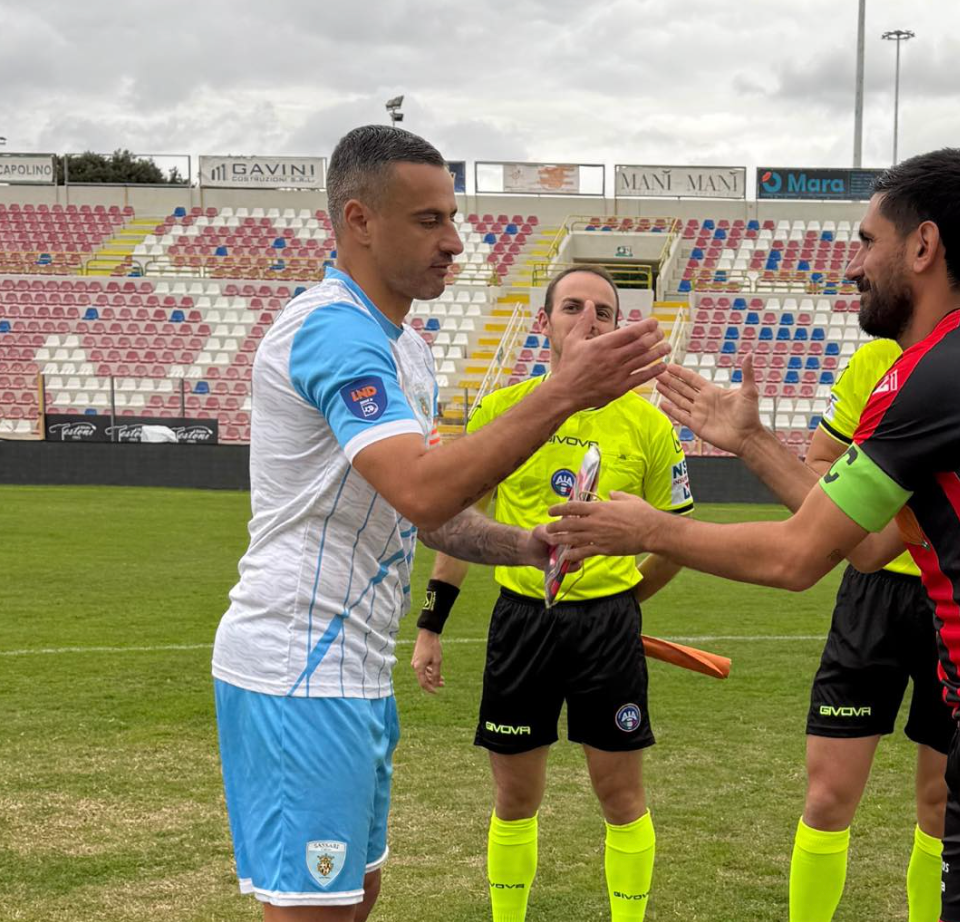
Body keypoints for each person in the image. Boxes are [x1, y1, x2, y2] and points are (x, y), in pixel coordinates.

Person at [545, 148, 960, 922]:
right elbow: (866, 546)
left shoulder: (940, 373)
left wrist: (650, 528)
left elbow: (799, 557)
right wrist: (756, 444)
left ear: (923, 247)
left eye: (869, 242)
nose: (854, 266)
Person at [210, 125, 668, 921]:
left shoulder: (407, 351)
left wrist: (527, 545)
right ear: (358, 221)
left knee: (356, 899)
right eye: (429, 221)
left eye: (452, 218)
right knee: (314, 912)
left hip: (352, 670)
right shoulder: (333, 329)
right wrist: (565, 391)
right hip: (298, 665)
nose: (455, 242)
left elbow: (433, 517)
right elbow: (422, 492)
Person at [409, 265, 691, 922]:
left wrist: (626, 601)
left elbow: (675, 536)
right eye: (572, 306)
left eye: (603, 311)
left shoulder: (648, 426)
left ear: (618, 329)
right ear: (544, 323)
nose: (588, 319)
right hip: (521, 623)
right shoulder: (503, 412)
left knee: (620, 797)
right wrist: (431, 625)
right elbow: (458, 523)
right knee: (514, 799)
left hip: (607, 631)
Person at [773, 336, 959, 922]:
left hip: (956, 595)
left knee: (942, 802)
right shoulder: (875, 359)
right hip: (871, 600)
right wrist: (888, 518)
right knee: (827, 798)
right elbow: (820, 460)